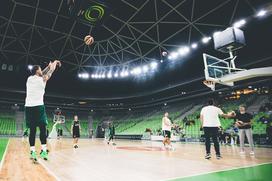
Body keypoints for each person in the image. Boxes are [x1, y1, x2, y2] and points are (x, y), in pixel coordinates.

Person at [25, 60, 61, 162]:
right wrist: (52, 67)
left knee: (32, 130)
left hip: (28, 107)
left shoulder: (29, 79)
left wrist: (48, 67)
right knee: (43, 128)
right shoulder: (42, 80)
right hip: (38, 106)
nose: (42, 71)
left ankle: (32, 151)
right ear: (37, 71)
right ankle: (44, 150)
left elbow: (42, 73)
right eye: (40, 69)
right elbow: (48, 74)